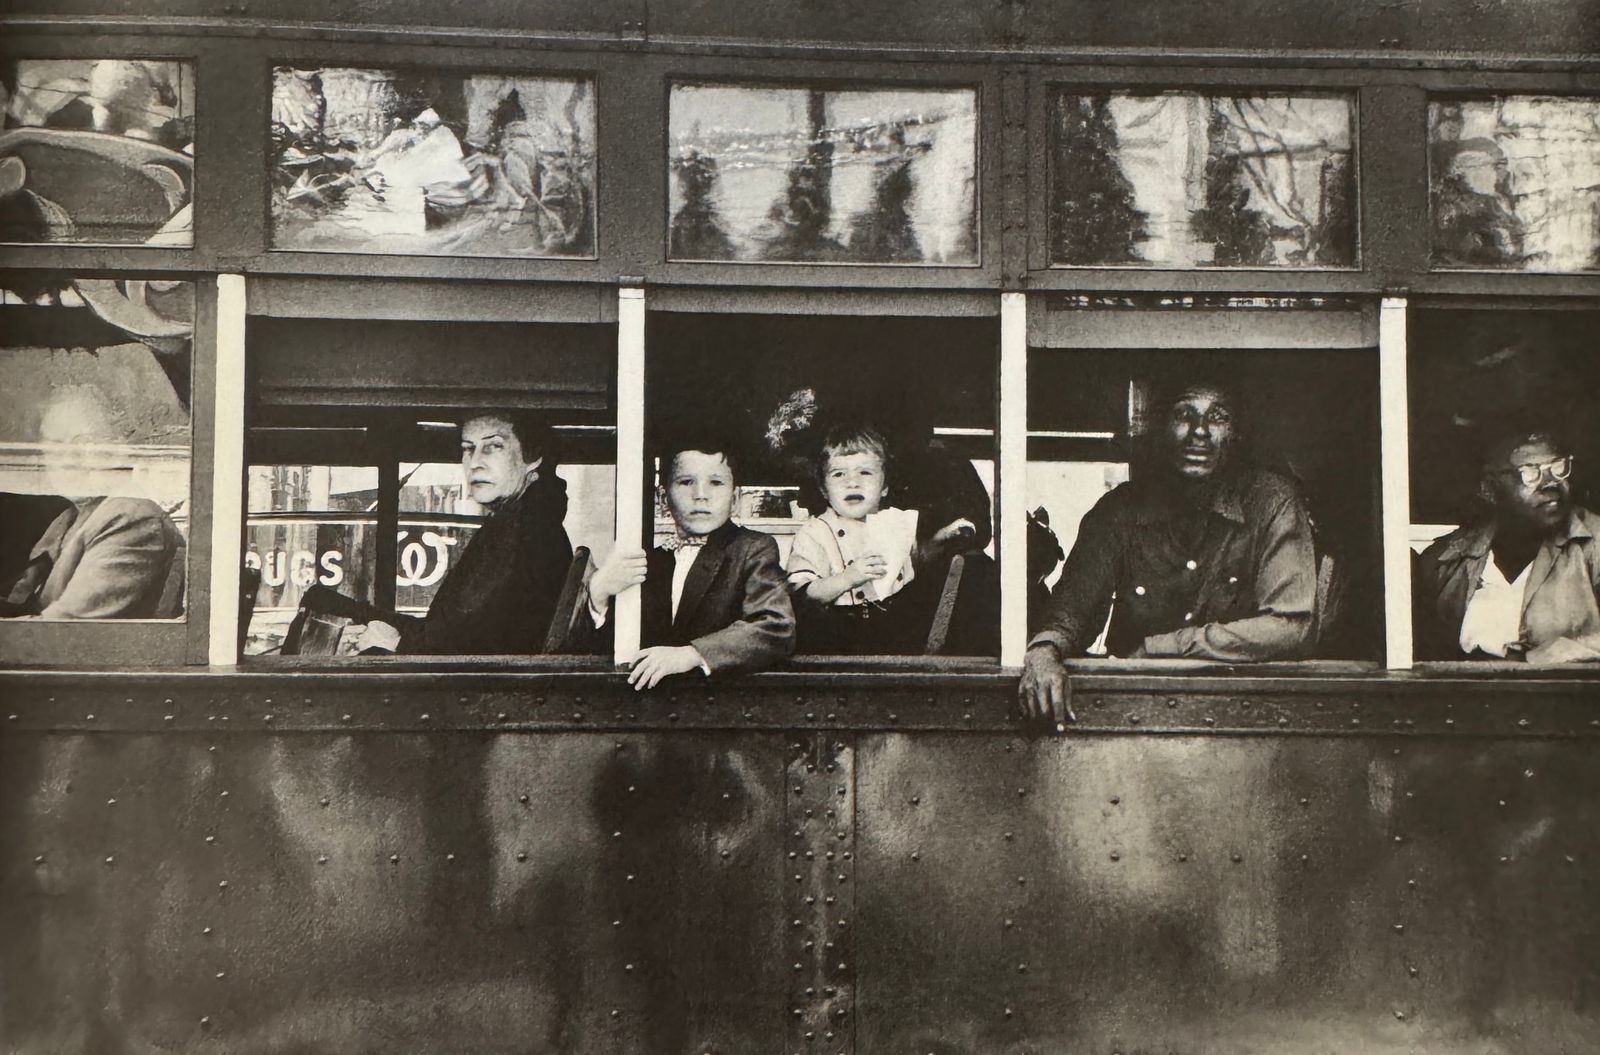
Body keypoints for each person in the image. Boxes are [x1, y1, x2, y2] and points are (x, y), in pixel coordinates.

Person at [1019, 380, 1317, 726]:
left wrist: (1161, 648)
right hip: (1133, 714)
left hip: (1241, 715)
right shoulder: (1119, 511)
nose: (1200, 431)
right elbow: (1070, 614)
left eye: (1217, 417)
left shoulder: (1273, 503)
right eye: (1183, 414)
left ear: (1236, 434)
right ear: (1159, 429)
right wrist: (1044, 652)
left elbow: (1290, 625)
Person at [575, 438, 794, 688]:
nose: (700, 495)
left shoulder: (753, 549)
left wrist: (690, 654)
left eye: (716, 482)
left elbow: (775, 627)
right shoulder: (651, 561)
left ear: (734, 498)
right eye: (686, 482)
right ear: (663, 497)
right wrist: (599, 593)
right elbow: (601, 649)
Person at [349, 409, 572, 654]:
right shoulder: (517, 522)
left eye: (494, 446)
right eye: (468, 449)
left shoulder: (526, 531)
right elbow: (453, 630)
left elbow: (476, 645)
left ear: (533, 457)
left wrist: (396, 644)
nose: (474, 463)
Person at [1414, 428, 1600, 663]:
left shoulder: (1594, 545)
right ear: (1490, 489)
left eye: (1558, 468)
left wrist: (1564, 652)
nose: (1551, 483)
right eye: (1530, 473)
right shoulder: (1447, 559)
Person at [784, 424, 973, 653]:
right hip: (836, 636)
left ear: (884, 487)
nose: (852, 482)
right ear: (824, 489)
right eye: (838, 474)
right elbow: (805, 595)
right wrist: (849, 578)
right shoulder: (814, 532)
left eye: (865, 472)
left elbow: (915, 562)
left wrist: (940, 539)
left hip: (890, 628)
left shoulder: (894, 524)